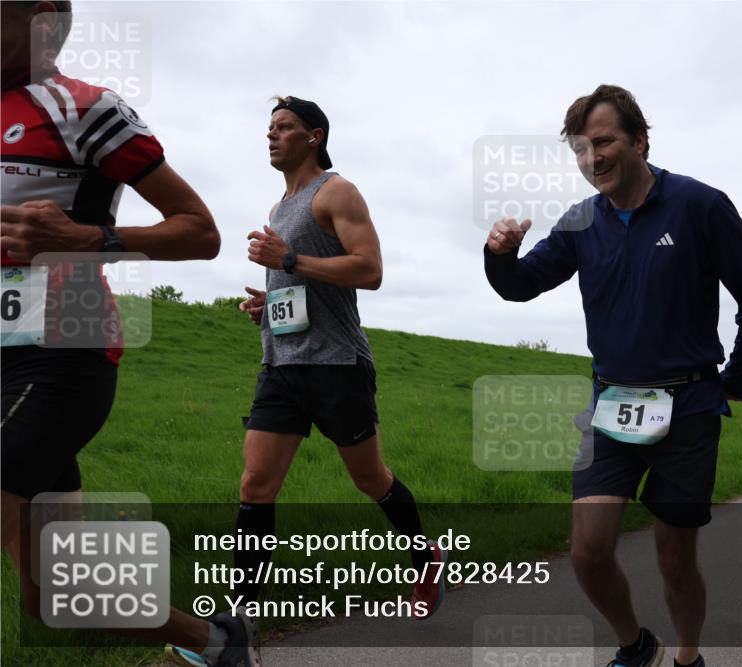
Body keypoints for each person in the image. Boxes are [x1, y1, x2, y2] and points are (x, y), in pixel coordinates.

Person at [0, 3, 261, 666]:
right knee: (54, 591)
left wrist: (87, 237)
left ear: (42, 23)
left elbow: (199, 231)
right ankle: (217, 639)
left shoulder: (84, 110)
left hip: (64, 355)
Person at [483, 85, 742, 667]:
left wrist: (737, 378)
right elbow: (520, 287)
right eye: (580, 150)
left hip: (688, 407)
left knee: (674, 557)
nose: (592, 159)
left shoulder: (699, 206)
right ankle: (634, 644)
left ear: (640, 140)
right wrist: (500, 255)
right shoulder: (579, 222)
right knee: (588, 553)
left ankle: (688, 655)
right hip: (611, 406)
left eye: (603, 142)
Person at [232, 95, 445, 618]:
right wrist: (271, 308)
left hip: (336, 364)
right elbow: (304, 287)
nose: (271, 134)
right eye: (269, 127)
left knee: (370, 479)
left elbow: (369, 270)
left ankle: (426, 558)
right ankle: (235, 620)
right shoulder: (278, 208)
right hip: (281, 366)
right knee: (255, 485)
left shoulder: (338, 192)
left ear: (315, 136)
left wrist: (288, 258)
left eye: (284, 127)